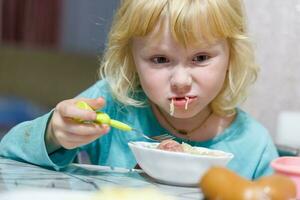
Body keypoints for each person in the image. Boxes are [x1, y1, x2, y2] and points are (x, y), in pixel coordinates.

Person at [0, 0, 278, 180]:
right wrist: (53, 134)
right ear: (131, 59)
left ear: (232, 56)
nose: (181, 80)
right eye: (160, 60)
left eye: (201, 58)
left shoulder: (253, 146)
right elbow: (8, 155)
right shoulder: (112, 103)